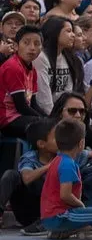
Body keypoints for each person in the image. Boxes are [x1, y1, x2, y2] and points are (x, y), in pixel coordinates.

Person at [38, 119, 92, 240]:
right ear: (81, 143)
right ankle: (71, 232)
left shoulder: (58, 159)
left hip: (50, 216)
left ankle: (69, 231)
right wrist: (80, 205)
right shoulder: (67, 164)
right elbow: (65, 195)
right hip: (59, 216)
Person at [0, 118, 59, 235]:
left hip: (51, 210)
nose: (61, 140)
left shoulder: (63, 154)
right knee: (11, 174)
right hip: (28, 211)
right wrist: (50, 166)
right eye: (56, 137)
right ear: (41, 144)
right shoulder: (30, 157)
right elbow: (26, 178)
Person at [0, 26, 46, 170]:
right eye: (26, 43)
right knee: (43, 128)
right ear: (16, 45)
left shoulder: (32, 70)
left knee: (51, 123)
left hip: (21, 116)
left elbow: (33, 104)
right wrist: (45, 120)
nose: (32, 48)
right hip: (7, 120)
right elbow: (21, 106)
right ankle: (31, 170)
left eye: (37, 44)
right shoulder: (13, 67)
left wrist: (49, 117)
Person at [34, 16, 84, 115]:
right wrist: (55, 117)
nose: (73, 35)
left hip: (64, 111)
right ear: (55, 32)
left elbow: (68, 91)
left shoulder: (68, 57)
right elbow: (43, 96)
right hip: (46, 114)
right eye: (68, 31)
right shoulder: (41, 57)